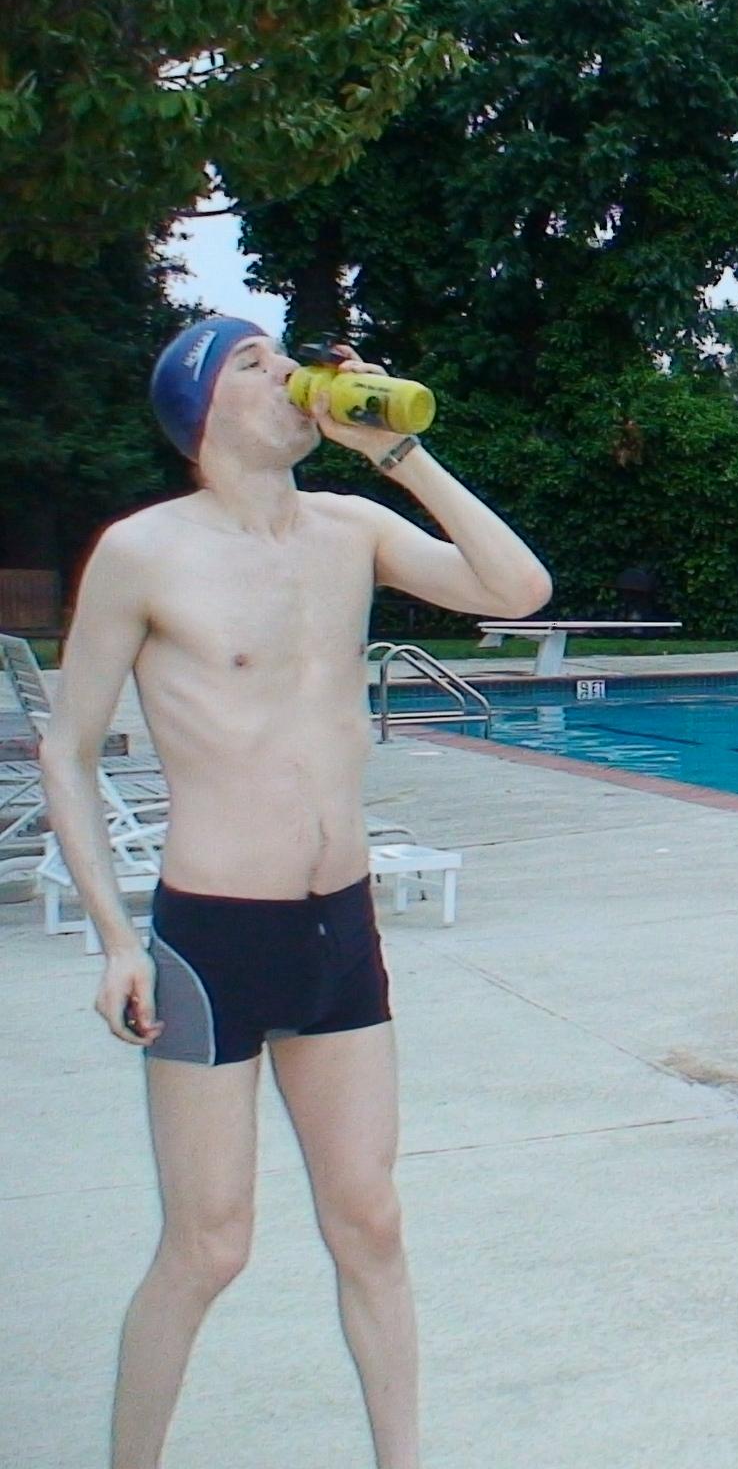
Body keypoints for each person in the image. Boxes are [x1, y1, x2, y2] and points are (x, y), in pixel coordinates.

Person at [39, 319, 551, 1469]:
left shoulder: (353, 528)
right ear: (202, 409)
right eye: (256, 363)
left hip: (340, 926)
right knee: (209, 1245)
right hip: (214, 935)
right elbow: (67, 751)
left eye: (287, 359)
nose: (289, 375)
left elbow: (517, 590)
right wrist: (117, 939)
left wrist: (398, 453)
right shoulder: (144, 551)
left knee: (370, 1221)